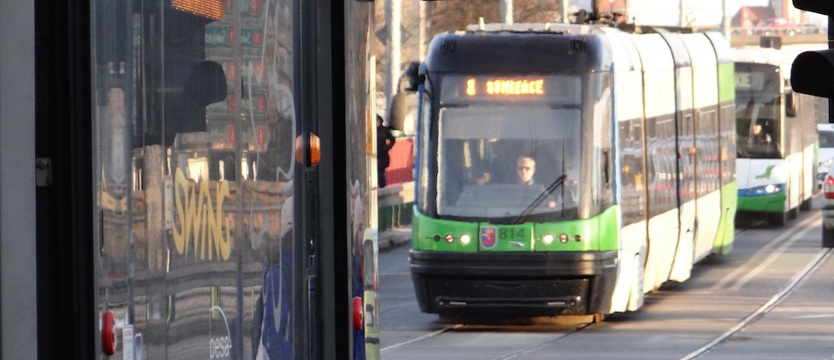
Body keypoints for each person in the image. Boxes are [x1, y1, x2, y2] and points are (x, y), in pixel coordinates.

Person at [377, 115, 396, 188]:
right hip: (373, 154)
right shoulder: (370, 129)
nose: (376, 123)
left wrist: (387, 148)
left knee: (380, 171)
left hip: (382, 154)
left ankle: (382, 186)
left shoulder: (384, 130)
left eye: (377, 121)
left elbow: (392, 140)